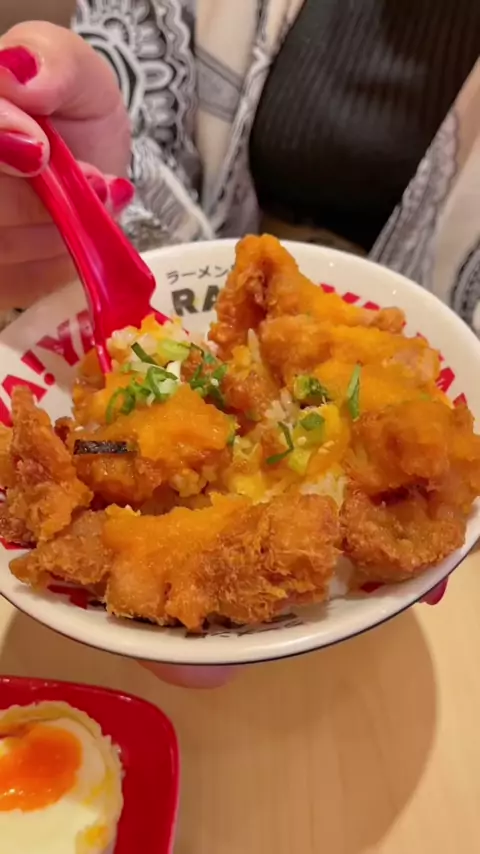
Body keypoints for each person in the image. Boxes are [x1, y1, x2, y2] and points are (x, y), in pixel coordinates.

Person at [0, 1, 472, 682]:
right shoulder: (108, 444)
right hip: (132, 443)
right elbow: (107, 449)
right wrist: (107, 165)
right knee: (104, 445)